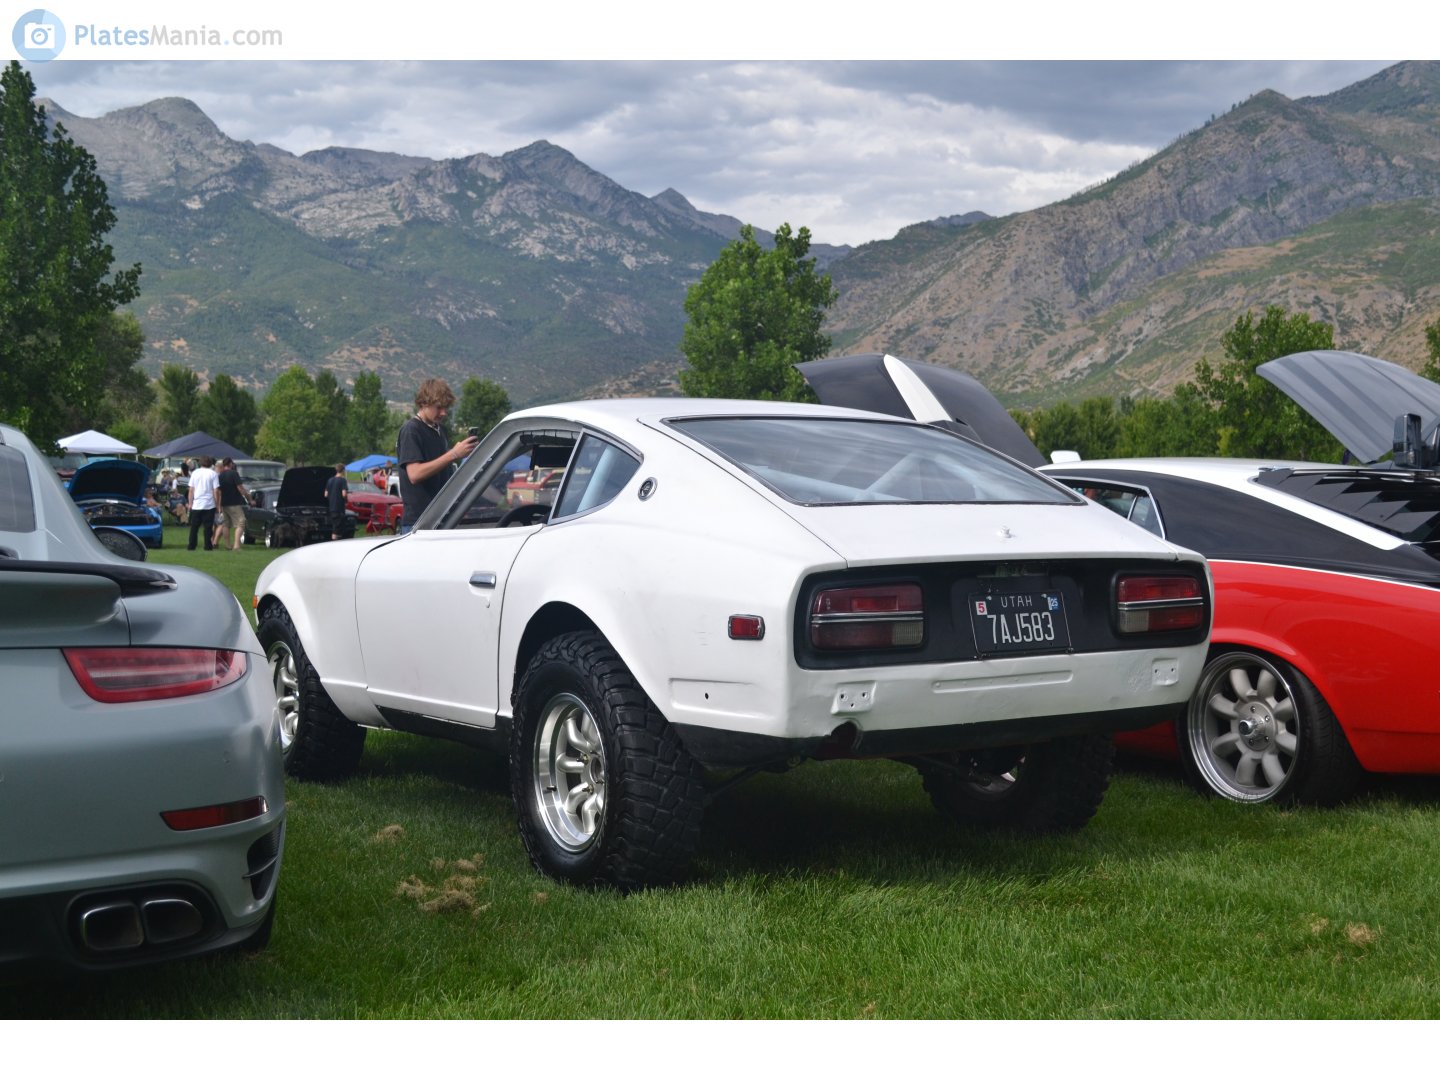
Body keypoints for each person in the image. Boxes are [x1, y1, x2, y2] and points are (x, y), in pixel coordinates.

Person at [395, 378, 478, 532]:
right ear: (424, 403)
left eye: (446, 408)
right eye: (439, 407)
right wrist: (453, 454)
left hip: (441, 518)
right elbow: (415, 474)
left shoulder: (440, 430)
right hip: (419, 522)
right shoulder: (411, 430)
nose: (444, 413)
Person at [212, 457, 250, 551]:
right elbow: (240, 488)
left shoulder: (220, 475)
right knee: (241, 522)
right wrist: (249, 498)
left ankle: (227, 545)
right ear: (230, 464)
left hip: (224, 503)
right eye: (232, 463)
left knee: (226, 525)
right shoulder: (234, 473)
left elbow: (218, 491)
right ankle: (237, 545)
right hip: (234, 503)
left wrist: (219, 504)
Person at [187, 456, 220, 551]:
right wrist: (217, 504)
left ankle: (191, 545)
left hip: (197, 504)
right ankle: (207, 545)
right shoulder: (213, 474)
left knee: (194, 527)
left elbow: (191, 490)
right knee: (208, 527)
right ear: (210, 463)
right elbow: (216, 490)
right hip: (209, 504)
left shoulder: (195, 473)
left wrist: (190, 503)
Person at [325, 463, 350, 541]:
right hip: (339, 508)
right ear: (343, 471)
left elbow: (325, 494)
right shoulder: (342, 480)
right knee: (337, 528)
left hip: (331, 507)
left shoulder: (330, 480)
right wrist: (346, 498)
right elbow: (344, 494)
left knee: (335, 526)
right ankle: (334, 543)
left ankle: (337, 541)